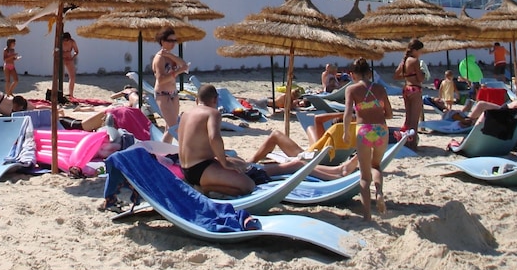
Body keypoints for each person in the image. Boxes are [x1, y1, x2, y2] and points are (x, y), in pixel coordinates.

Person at [177, 84, 356, 197]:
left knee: (249, 165)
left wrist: (225, 161)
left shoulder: (186, 114)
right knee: (249, 184)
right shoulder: (212, 112)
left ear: (197, 100)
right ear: (215, 99)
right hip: (203, 170)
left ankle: (338, 171)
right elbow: (214, 137)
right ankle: (338, 172)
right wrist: (224, 163)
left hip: (189, 170)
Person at [341, 57, 393, 219]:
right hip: (381, 130)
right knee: (376, 165)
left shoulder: (351, 90)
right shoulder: (380, 89)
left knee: (364, 176)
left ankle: (367, 216)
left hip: (364, 129)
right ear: (369, 73)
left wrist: (346, 131)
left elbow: (348, 112)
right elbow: (390, 113)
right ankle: (379, 193)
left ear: (353, 75)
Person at [151, 27, 188, 139]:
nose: (173, 44)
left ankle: (164, 153)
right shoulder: (159, 58)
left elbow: (184, 65)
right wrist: (177, 72)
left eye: (174, 41)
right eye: (170, 41)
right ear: (162, 41)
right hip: (163, 94)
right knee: (174, 127)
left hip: (173, 93)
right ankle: (163, 153)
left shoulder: (170, 57)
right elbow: (160, 79)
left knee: (170, 128)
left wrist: (171, 56)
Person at [393, 38, 424, 149]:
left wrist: (408, 76)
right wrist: (422, 74)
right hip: (415, 89)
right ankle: (412, 144)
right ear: (415, 50)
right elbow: (420, 78)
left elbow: (396, 76)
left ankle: (407, 142)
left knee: (408, 118)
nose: (421, 53)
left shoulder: (404, 61)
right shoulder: (415, 61)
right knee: (414, 120)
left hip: (406, 89)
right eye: (420, 51)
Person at [62, 32, 80, 99]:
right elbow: (55, 50)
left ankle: (71, 94)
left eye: (67, 40)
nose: (66, 41)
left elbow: (76, 51)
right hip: (62, 58)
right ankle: (60, 92)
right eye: (64, 40)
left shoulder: (72, 42)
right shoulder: (60, 42)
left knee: (72, 76)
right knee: (61, 76)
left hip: (69, 58)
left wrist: (72, 57)